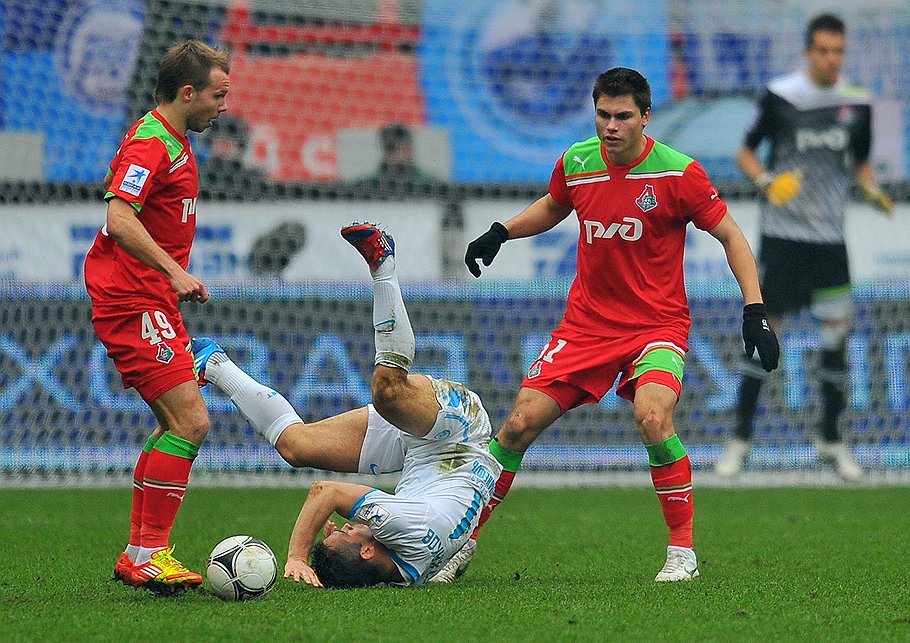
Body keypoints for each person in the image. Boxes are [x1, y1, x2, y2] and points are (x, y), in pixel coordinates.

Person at [451, 67, 780, 584]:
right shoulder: (577, 162)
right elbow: (556, 205)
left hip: (657, 326)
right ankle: (461, 542)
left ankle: (681, 553)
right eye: (603, 114)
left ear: (645, 117)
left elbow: (732, 236)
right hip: (585, 328)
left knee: (653, 417)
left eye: (623, 116)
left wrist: (754, 308)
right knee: (515, 426)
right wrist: (501, 232)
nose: (611, 126)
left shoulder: (678, 173)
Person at [192, 222, 501, 588]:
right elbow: (327, 492)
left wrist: (346, 543)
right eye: (347, 535)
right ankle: (383, 263)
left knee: (296, 447)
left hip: (421, 455)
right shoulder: (407, 529)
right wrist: (296, 556)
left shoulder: (404, 575)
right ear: (369, 551)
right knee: (387, 392)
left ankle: (212, 363)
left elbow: (367, 559)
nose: (348, 527)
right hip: (460, 431)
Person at [715, 13, 892, 481]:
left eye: (839, 51)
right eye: (824, 51)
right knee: (764, 339)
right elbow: (745, 153)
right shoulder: (781, 97)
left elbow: (860, 164)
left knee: (836, 338)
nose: (832, 59)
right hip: (784, 239)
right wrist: (767, 180)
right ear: (808, 52)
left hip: (830, 242)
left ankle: (832, 440)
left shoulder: (857, 103)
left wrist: (871, 189)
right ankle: (740, 440)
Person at [83, 39, 230, 594]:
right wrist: (173, 271)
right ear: (187, 92)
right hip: (133, 300)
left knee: (177, 423)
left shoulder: (170, 139)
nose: (223, 106)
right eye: (217, 95)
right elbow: (120, 219)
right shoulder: (151, 144)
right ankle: (147, 553)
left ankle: (142, 553)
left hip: (149, 299)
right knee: (191, 421)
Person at [198, 114, 269, 199]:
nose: (224, 147)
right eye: (219, 141)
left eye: (229, 142)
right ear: (210, 143)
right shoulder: (199, 176)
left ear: (240, 146)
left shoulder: (254, 179)